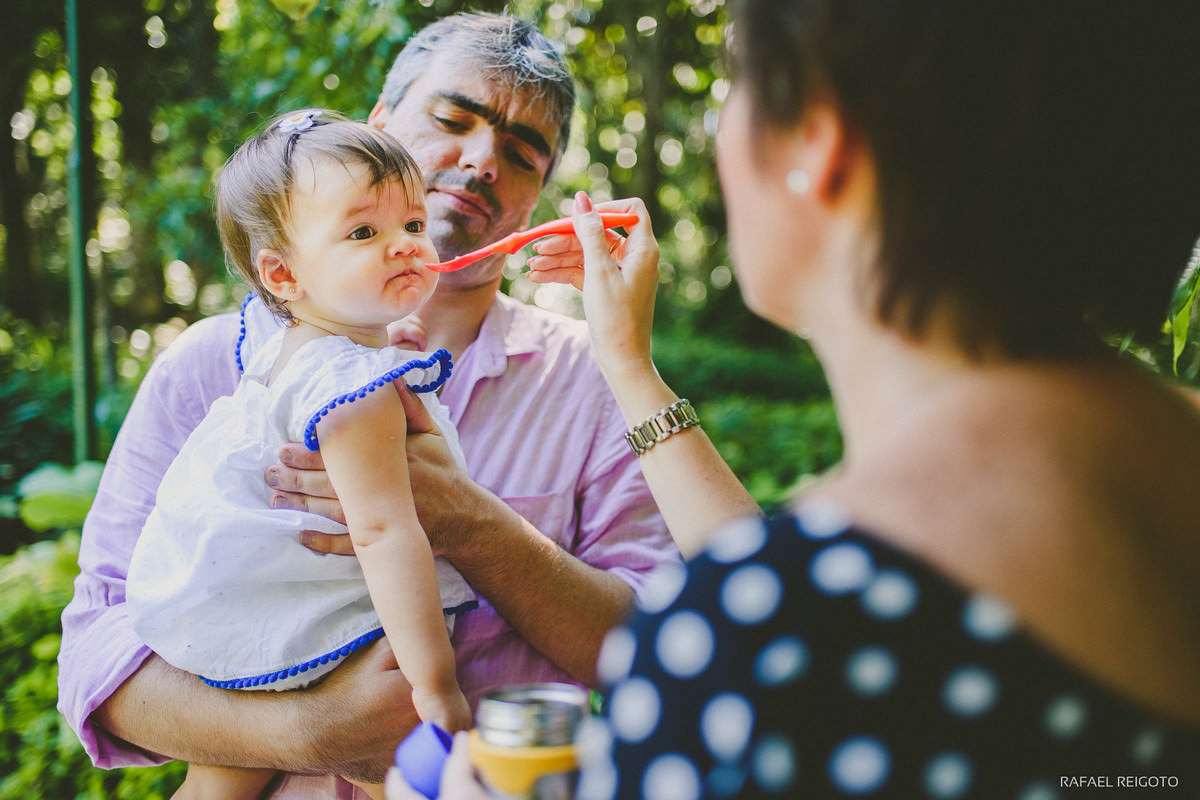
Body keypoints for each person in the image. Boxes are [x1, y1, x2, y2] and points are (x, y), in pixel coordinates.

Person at [393, 1, 1200, 797]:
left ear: (819, 142)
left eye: (740, 83)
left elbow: (748, 622)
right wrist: (629, 363)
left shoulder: (778, 627)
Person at [57, 12, 678, 798]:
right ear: (378, 128)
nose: (483, 160)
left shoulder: (595, 377)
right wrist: (301, 730)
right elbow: (94, 655)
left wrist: (475, 525)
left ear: (536, 200)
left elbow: (664, 654)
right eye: (452, 120)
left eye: (522, 156)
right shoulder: (209, 367)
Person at [125, 109, 476, 800]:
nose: (405, 245)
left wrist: (378, 326)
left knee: (217, 785)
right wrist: (436, 685)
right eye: (362, 232)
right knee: (402, 773)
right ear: (283, 275)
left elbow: (339, 334)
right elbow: (383, 529)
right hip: (319, 615)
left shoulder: (284, 343)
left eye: (412, 223)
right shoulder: (355, 386)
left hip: (248, 604)